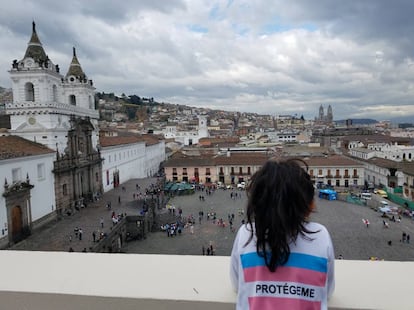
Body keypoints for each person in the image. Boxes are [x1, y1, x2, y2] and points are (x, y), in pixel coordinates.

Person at [230, 158, 335, 310]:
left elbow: (237, 284)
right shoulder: (320, 235)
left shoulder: (246, 234)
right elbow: (327, 289)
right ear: (309, 205)